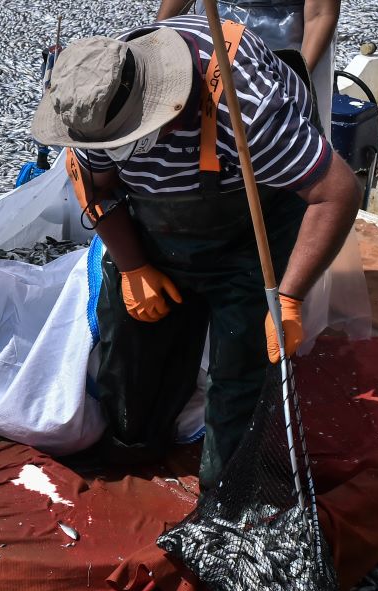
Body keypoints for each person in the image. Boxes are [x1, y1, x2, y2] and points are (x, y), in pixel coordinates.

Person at [30, 16, 360, 486]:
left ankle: (226, 490)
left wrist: (289, 297)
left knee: (241, 369)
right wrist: (134, 265)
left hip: (251, 233)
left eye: (131, 141)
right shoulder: (89, 111)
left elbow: (336, 192)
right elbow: (96, 190)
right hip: (158, 229)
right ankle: (132, 445)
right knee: (132, 351)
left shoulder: (245, 107)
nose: (121, 153)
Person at [156, 0, 341, 129]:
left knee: (281, 131)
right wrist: (156, 39)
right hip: (212, 37)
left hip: (286, 48)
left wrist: (296, 81)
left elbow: (320, 13)